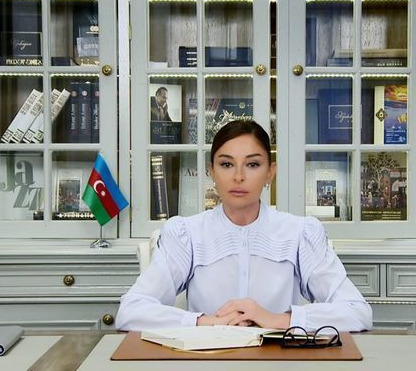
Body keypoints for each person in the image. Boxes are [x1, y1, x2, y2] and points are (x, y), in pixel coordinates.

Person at [116, 120, 372, 332]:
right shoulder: (188, 234)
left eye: (252, 164)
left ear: (270, 172)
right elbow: (131, 311)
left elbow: (357, 312)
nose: (238, 177)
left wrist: (275, 320)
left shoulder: (299, 233)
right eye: (226, 164)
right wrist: (207, 323)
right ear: (211, 171)